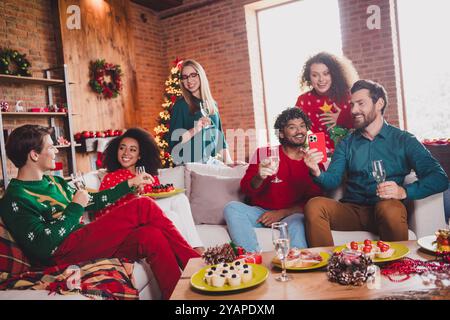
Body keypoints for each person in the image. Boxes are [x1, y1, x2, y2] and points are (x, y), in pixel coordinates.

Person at [0, 125, 200, 300]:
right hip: (60, 253)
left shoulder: (54, 182)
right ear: (34, 155)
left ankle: (180, 297)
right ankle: (196, 264)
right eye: (51, 147)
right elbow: (44, 247)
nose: (56, 151)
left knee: (150, 236)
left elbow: (94, 200)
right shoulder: (15, 198)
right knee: (143, 205)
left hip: (82, 241)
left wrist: (129, 183)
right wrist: (75, 208)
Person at [303, 80, 449, 247]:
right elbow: (333, 179)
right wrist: (316, 171)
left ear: (379, 103)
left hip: (386, 209)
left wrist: (403, 191)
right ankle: (327, 268)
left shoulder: (404, 140)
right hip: (352, 210)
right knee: (314, 205)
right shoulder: (347, 143)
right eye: (352, 104)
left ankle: (396, 269)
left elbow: (439, 178)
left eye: (360, 104)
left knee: (390, 209)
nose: (353, 110)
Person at [223, 108, 323, 252]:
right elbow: (246, 188)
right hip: (260, 213)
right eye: (292, 127)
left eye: (302, 126)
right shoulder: (263, 153)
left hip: (292, 215)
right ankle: (251, 258)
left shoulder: (312, 160)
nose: (299, 131)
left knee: (299, 223)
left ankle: (299, 265)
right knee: (232, 208)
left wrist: (282, 213)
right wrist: (259, 176)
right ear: (281, 133)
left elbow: (315, 201)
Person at [99, 127, 204, 252]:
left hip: (151, 216)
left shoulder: (147, 176)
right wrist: (133, 194)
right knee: (173, 209)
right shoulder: (111, 177)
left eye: (132, 150)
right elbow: (104, 210)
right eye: (122, 148)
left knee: (175, 209)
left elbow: (155, 199)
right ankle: (194, 254)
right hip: (129, 221)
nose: (126, 153)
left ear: (139, 156)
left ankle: (195, 250)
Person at [168, 59, 231, 165]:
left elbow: (220, 139)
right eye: (185, 77)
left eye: (193, 75)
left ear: (200, 75)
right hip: (189, 165)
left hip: (209, 163)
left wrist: (230, 163)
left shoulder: (212, 105)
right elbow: (174, 144)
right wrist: (195, 129)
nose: (189, 80)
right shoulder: (180, 106)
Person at [295, 52, 359, 151]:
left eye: (326, 73)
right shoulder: (303, 101)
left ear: (334, 74)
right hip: (320, 156)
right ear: (309, 77)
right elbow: (292, 128)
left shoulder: (349, 96)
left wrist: (342, 118)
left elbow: (366, 124)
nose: (321, 79)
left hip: (352, 154)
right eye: (315, 75)